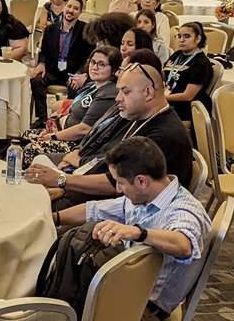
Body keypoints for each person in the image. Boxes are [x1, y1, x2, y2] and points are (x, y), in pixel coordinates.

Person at [52, 137, 211, 321]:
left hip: (146, 306)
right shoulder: (147, 195)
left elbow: (184, 245)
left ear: (142, 181)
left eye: (120, 183)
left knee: (60, 303)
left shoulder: (183, 210)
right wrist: (53, 218)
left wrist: (139, 232)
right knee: (61, 275)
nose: (118, 190)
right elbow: (94, 210)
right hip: (128, 284)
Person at [24, 52, 194, 211]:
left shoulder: (164, 135)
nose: (118, 98)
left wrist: (62, 181)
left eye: (125, 91)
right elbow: (106, 159)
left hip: (121, 210)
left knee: (29, 205)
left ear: (148, 92)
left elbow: (116, 185)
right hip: (94, 194)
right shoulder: (141, 116)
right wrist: (66, 184)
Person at [20, 46, 121, 165]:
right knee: (25, 136)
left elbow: (84, 129)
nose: (95, 67)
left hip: (77, 144)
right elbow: (71, 109)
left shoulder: (107, 94)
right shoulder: (92, 86)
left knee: (30, 150)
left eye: (101, 64)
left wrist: (53, 136)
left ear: (114, 70)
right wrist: (51, 126)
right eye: (93, 62)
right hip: (61, 130)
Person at [29, 0, 92, 123]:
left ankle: (65, 119)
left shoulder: (85, 30)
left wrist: (80, 73)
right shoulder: (51, 29)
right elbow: (44, 52)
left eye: (75, 8)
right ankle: (42, 119)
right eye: (69, 6)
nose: (71, 10)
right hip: (53, 71)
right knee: (36, 80)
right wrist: (41, 63)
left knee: (75, 85)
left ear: (80, 12)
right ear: (64, 8)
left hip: (72, 73)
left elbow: (89, 57)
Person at [163, 22, 213, 126]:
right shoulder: (177, 55)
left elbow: (188, 96)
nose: (181, 40)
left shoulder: (201, 63)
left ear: (198, 39)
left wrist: (161, 98)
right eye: (179, 36)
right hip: (166, 100)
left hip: (183, 108)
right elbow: (162, 76)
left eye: (187, 36)